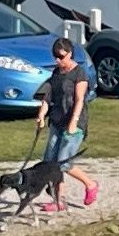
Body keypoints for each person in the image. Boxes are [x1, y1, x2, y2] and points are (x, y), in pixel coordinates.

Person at [36, 37, 96, 211]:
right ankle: (58, 201)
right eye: (55, 56)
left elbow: (79, 100)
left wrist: (74, 122)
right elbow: (48, 97)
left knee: (64, 162)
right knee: (50, 163)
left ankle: (90, 184)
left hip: (74, 123)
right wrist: (41, 114)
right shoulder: (56, 73)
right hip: (57, 121)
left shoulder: (79, 74)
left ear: (70, 54)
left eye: (61, 56)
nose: (57, 60)